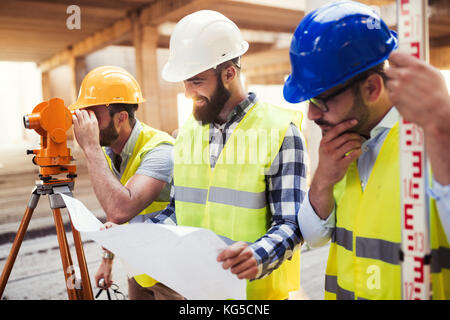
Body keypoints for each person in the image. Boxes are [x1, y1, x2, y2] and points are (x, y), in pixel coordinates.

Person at [283, 1, 450, 299]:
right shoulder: (340, 145)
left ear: (372, 89)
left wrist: (442, 131)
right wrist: (322, 180)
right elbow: (314, 237)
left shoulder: (431, 139)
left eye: (320, 101)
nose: (310, 115)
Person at [151, 10, 307, 300]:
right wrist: (141, 235)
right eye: (184, 83)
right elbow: (178, 209)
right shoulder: (188, 132)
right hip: (195, 292)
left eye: (196, 81)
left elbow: (291, 224)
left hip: (253, 297)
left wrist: (256, 256)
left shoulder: (280, 132)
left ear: (229, 74)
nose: (187, 92)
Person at [70, 66, 184, 300]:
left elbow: (120, 209)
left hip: (170, 270)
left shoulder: (160, 150)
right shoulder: (111, 151)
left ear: (121, 118)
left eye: (94, 114)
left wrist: (90, 148)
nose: (87, 121)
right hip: (139, 264)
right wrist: (107, 259)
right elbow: (114, 207)